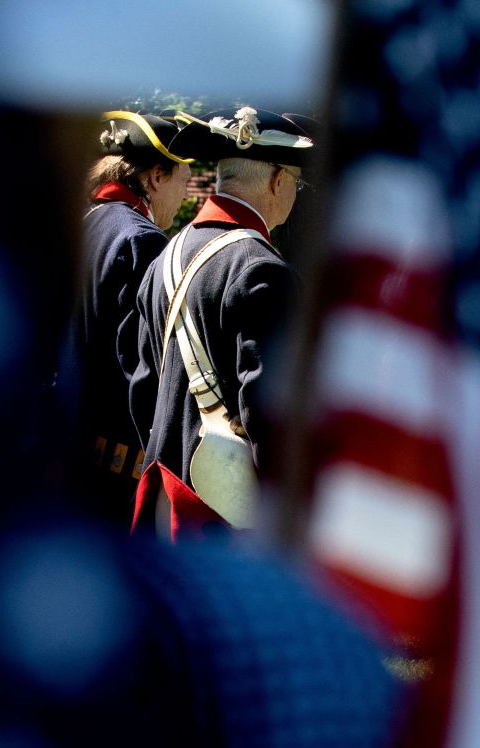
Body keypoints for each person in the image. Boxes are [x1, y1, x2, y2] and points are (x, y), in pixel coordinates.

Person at [128, 106, 314, 531]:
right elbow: (269, 417)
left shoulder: (163, 260)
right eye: (295, 182)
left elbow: (142, 391)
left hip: (162, 503)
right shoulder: (262, 270)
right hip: (225, 524)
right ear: (276, 179)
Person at [71, 110, 193, 529]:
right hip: (114, 466)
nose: (184, 196)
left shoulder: (84, 222)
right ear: (157, 177)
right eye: (183, 179)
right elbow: (139, 366)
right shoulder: (141, 239)